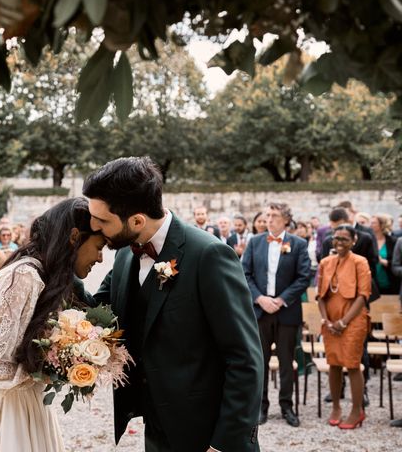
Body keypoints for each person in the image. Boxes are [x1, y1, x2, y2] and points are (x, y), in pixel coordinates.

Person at [85, 157, 263, 452]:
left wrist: (224, 442)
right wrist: (60, 265)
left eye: (102, 221)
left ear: (137, 220)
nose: (94, 226)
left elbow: (245, 357)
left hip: (207, 434)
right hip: (155, 429)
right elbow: (96, 313)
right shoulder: (125, 256)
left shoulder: (210, 255)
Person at [0, 197, 106, 452]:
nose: (100, 258)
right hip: (5, 412)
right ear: (74, 236)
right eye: (99, 246)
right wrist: (48, 370)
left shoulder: (48, 280)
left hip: (32, 404)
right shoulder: (24, 276)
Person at [242, 202, 310, 428]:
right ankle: (260, 407)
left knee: (286, 361)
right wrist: (260, 298)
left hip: (287, 311)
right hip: (260, 310)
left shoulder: (299, 244)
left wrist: (281, 300)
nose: (268, 219)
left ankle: (286, 406)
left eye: (274, 215)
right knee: (258, 361)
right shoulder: (255, 242)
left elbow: (303, 277)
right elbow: (244, 273)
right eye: (267, 215)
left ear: (286, 220)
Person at [317, 225, 370, 429]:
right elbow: (320, 295)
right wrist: (326, 320)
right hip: (330, 321)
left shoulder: (360, 261)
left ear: (353, 241)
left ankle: (357, 411)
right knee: (334, 363)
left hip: (353, 320)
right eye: (336, 238)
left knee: (352, 363)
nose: (339, 242)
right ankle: (336, 407)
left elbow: (363, 295)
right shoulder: (325, 262)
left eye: (344, 239)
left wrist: (343, 322)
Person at [371, 214, 400, 296]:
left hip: (390, 282)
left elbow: (398, 262)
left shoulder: (393, 241)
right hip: (373, 283)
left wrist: (384, 262)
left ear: (381, 225)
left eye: (374, 223)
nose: (371, 225)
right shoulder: (368, 240)